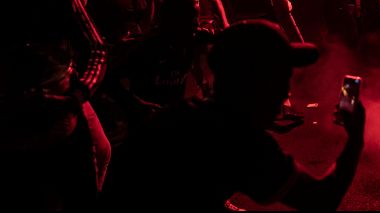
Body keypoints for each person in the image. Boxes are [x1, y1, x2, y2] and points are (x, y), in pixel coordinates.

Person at [100, 20, 365, 212]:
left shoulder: (186, 115)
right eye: (280, 80)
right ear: (253, 82)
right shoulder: (237, 138)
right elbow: (321, 199)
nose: (285, 91)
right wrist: (355, 138)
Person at [1, 0, 110, 211]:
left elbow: (96, 49)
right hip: (18, 124)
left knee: (83, 181)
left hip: (66, 108)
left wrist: (77, 94)